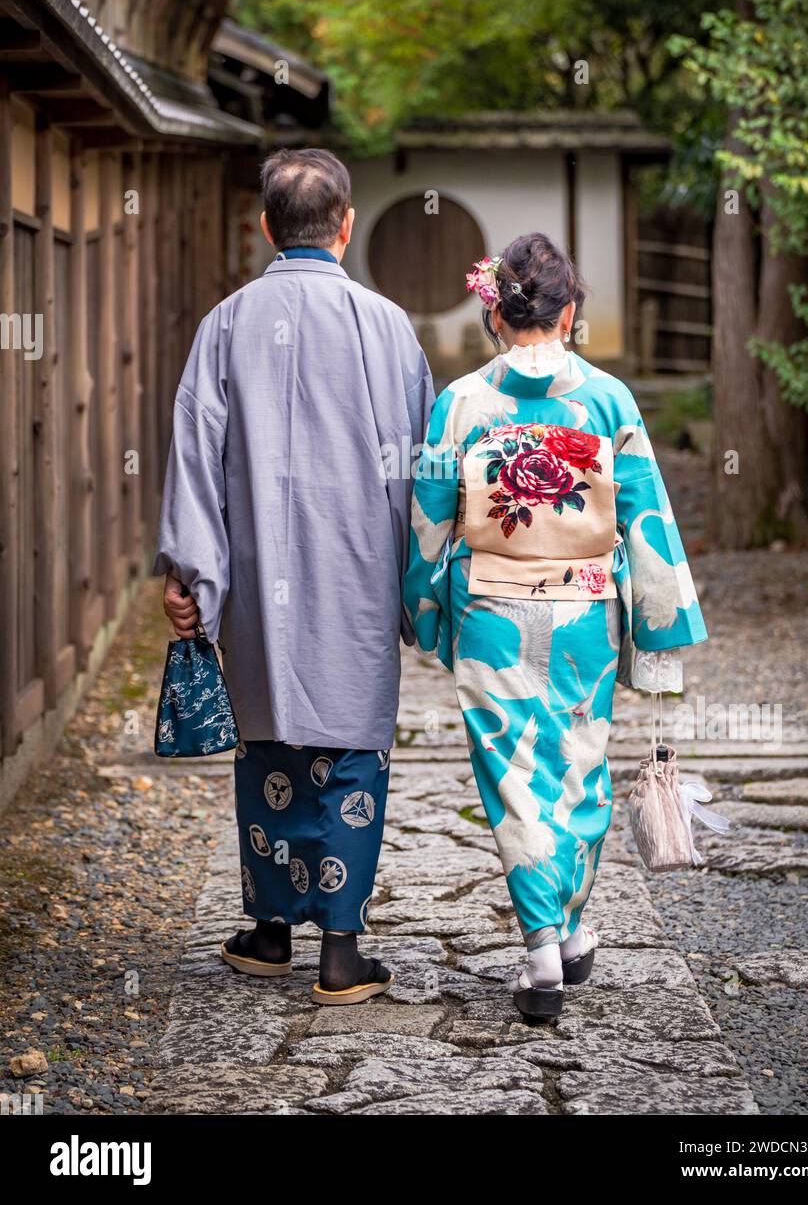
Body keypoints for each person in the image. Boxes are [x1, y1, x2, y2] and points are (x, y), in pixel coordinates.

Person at [154, 147, 433, 1005]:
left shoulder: (228, 323)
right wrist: (419, 587)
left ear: (266, 226)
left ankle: (271, 932)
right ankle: (340, 950)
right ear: (346, 226)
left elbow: (196, 456)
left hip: (259, 571)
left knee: (268, 742)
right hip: (356, 569)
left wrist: (191, 575)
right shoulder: (386, 326)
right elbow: (422, 464)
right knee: (350, 747)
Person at [404, 234, 707, 1021]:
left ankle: (546, 943)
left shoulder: (462, 402)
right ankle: (565, 934)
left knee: (512, 775)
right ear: (569, 311)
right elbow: (645, 523)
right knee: (579, 765)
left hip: (492, 616)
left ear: (495, 313)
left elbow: (430, 527)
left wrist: (428, 615)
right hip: (584, 617)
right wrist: (659, 638)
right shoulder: (609, 401)